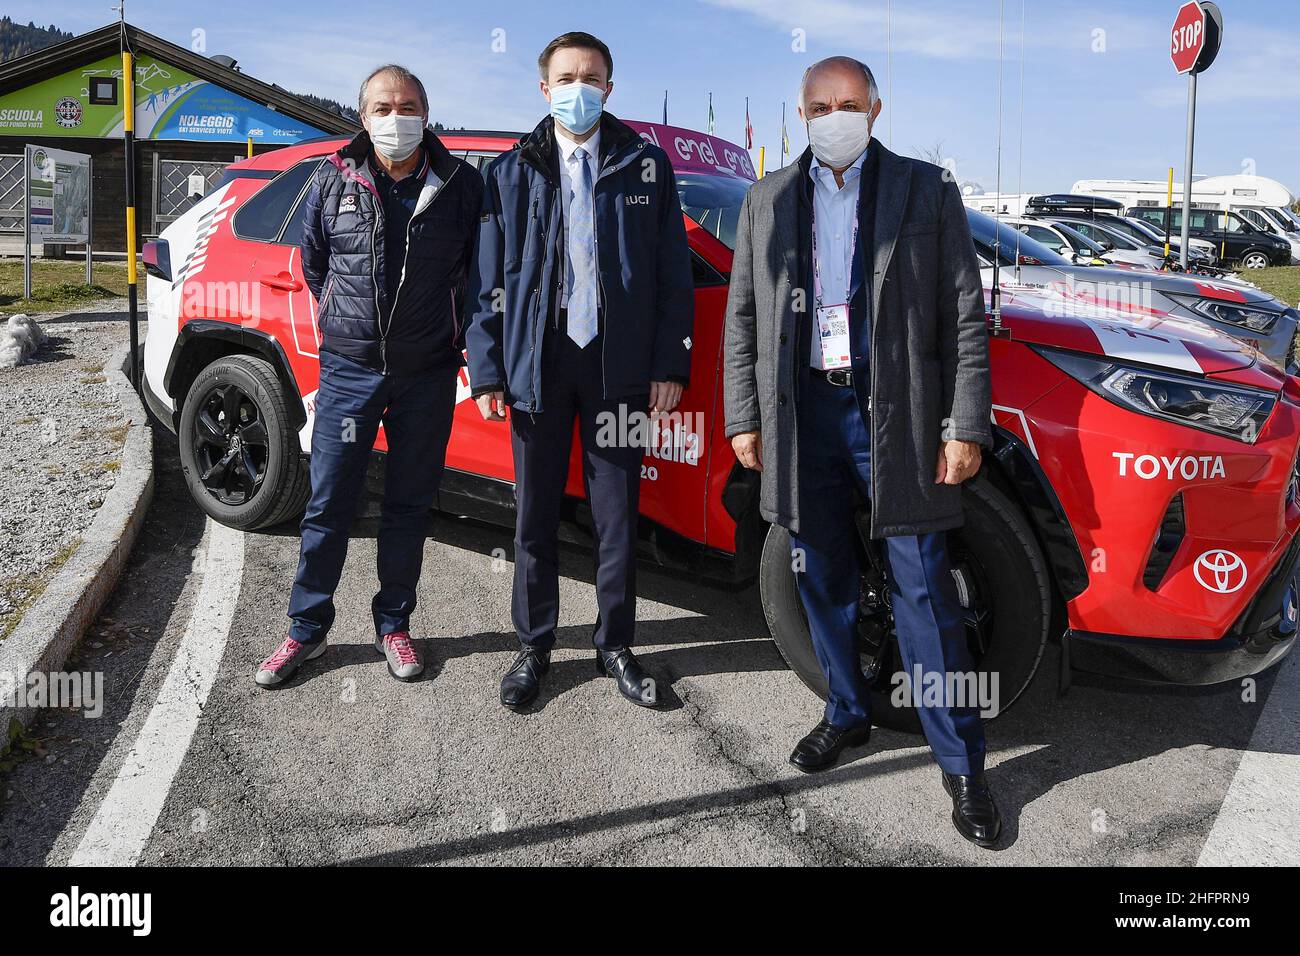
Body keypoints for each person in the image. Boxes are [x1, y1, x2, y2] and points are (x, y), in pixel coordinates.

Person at [723, 56, 1001, 847]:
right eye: (820, 105)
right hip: (803, 410)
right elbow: (742, 318)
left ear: (876, 109)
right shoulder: (766, 199)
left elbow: (964, 318)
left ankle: (962, 765)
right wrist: (744, 418)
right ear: (801, 112)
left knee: (924, 591)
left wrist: (965, 424)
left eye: (848, 103)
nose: (834, 116)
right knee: (823, 576)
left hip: (898, 415)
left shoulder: (925, 189)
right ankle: (846, 710)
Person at [467, 32, 694, 712]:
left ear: (610, 86)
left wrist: (668, 363)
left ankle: (615, 645)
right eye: (566, 77)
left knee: (616, 516)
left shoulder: (647, 167)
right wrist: (487, 369)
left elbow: (673, 276)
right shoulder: (509, 173)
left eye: (591, 77)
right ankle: (534, 646)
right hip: (539, 363)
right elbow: (486, 283)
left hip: (617, 365)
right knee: (534, 516)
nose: (578, 88)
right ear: (544, 88)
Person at [255, 65, 483, 687]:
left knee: (409, 505)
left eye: (407, 106)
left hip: (427, 375)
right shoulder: (334, 180)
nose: (395, 117)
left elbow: (475, 275)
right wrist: (347, 325)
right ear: (363, 116)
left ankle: (394, 626)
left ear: (426, 115)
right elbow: (316, 264)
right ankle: (305, 630)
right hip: (350, 373)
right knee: (329, 502)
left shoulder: (461, 185)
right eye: (383, 107)